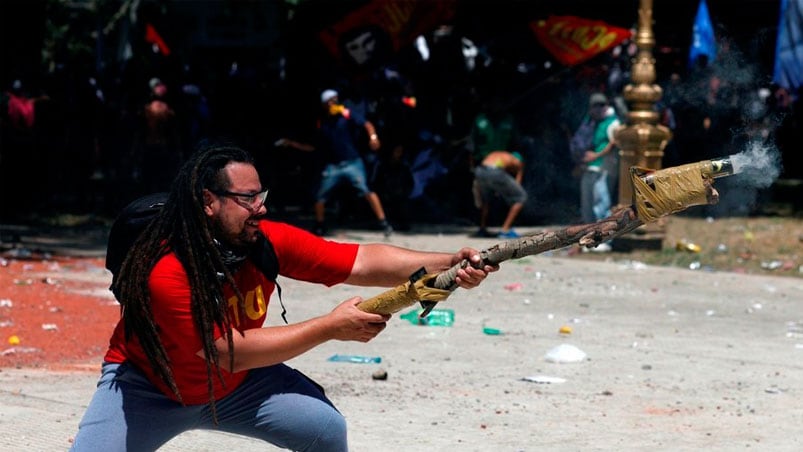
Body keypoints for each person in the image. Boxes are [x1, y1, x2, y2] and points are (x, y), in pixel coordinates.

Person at [70, 142, 496, 452]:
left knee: (324, 431)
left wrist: (449, 262)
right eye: (247, 198)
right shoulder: (167, 270)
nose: (260, 208)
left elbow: (360, 261)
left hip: (238, 388)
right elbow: (226, 351)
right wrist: (331, 327)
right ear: (207, 202)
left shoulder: (262, 241)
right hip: (150, 388)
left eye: (261, 196)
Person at [277, 89, 393, 237]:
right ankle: (320, 225)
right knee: (319, 195)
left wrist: (373, 137)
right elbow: (315, 147)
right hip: (333, 166)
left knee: (366, 190)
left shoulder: (346, 115)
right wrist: (292, 144)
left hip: (352, 162)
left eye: (335, 99)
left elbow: (367, 124)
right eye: (330, 101)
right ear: (324, 104)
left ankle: (384, 223)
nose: (334, 102)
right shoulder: (322, 123)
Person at [578, 93, 620, 252]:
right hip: (590, 168)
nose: (597, 109)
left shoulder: (613, 122)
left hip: (604, 169)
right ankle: (590, 240)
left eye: (601, 105)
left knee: (601, 205)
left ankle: (604, 241)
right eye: (595, 106)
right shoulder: (592, 122)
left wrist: (596, 156)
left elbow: (614, 142)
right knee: (587, 206)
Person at [472, 150, 527, 239]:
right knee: (521, 197)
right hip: (495, 172)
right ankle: (505, 231)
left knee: (486, 200)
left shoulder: (499, 155)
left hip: (480, 171)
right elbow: (517, 183)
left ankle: (482, 229)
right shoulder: (517, 161)